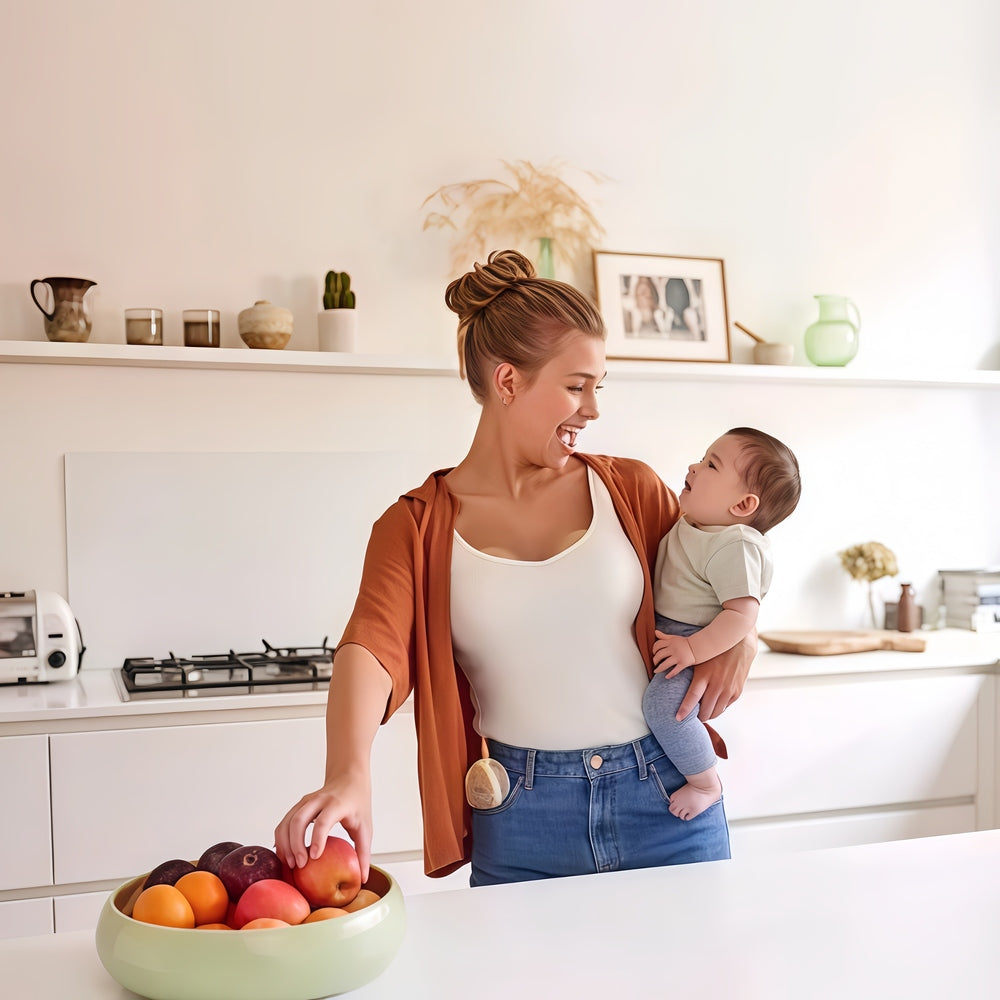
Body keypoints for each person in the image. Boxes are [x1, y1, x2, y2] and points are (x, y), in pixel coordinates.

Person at [274, 249, 755, 887]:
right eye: (576, 387)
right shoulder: (415, 526)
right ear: (508, 382)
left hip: (666, 799)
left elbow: (721, 571)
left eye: (597, 389)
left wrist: (744, 634)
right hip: (523, 817)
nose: (592, 409)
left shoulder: (632, 491)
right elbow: (371, 647)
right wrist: (348, 773)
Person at [643, 428, 801, 821]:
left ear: (744, 504)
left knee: (665, 710)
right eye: (703, 457)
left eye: (711, 464)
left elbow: (741, 614)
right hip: (676, 633)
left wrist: (693, 649)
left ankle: (705, 783)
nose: (695, 466)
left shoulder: (735, 544)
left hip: (696, 639)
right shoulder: (696, 524)